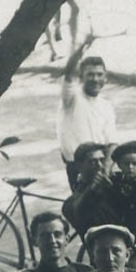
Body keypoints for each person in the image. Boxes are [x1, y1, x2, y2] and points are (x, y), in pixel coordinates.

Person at [72, 141, 136, 259]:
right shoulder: (79, 198)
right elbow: (79, 213)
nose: (100, 166)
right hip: (112, 256)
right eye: (93, 162)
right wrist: (93, 190)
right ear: (79, 166)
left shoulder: (116, 183)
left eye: (102, 160)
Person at [57, 35, 116, 190]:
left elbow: (112, 141)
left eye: (99, 74)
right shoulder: (72, 98)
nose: (95, 79)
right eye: (90, 74)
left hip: (101, 165)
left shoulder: (106, 105)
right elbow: (68, 73)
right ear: (81, 77)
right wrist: (82, 47)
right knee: (83, 210)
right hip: (79, 167)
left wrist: (107, 167)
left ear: (105, 78)